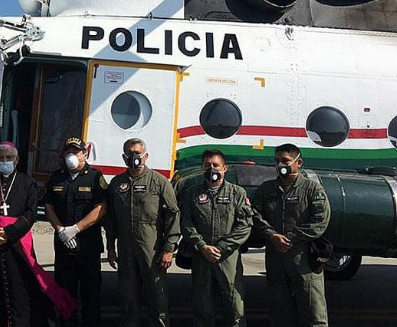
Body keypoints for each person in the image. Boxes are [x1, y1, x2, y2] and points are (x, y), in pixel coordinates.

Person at [0, 142, 77, 327]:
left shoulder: (27, 183)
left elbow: (31, 213)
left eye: (9, 157)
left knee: (21, 289)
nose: (4, 161)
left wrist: (9, 232)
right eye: (1, 158)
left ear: (17, 160)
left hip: (17, 244)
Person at [252, 144, 331, 327]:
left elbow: (320, 221)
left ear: (298, 163)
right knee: (280, 312)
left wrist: (291, 238)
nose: (280, 165)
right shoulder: (267, 189)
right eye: (277, 161)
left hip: (304, 260)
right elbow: (254, 214)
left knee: (314, 313)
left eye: (285, 161)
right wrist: (272, 235)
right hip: (276, 260)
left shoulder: (312, 189)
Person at [105, 138, 181, 327]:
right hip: (126, 250)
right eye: (130, 154)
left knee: (157, 295)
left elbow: (173, 215)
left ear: (146, 156)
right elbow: (111, 219)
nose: (134, 157)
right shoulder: (116, 183)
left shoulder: (159, 182)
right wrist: (111, 247)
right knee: (128, 296)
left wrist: (169, 248)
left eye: (138, 153)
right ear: (124, 158)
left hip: (152, 250)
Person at [180, 149, 252, 327]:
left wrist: (222, 247)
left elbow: (244, 225)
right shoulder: (192, 193)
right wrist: (202, 246)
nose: (211, 169)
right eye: (207, 165)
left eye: (216, 165)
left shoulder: (237, 193)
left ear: (224, 168)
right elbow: (186, 223)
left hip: (227, 257)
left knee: (234, 305)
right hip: (202, 256)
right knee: (202, 305)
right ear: (202, 168)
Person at [45, 137, 107, 327]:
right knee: (65, 296)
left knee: (91, 296)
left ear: (85, 155)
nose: (71, 156)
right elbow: (49, 207)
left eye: (76, 152)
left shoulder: (95, 177)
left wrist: (76, 228)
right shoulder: (57, 177)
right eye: (68, 152)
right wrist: (61, 230)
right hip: (64, 247)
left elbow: (101, 208)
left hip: (88, 248)